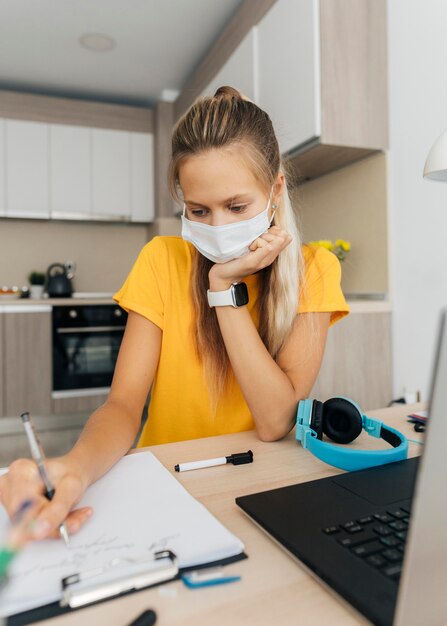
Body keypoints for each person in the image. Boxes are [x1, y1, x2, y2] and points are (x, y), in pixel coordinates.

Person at [0, 86, 349, 541]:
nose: (218, 227)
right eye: (198, 210)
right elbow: (124, 406)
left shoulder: (314, 271)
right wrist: (75, 466)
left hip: (257, 484)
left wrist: (222, 288)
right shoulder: (162, 259)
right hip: (162, 478)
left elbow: (275, 421)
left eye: (237, 207)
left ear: (276, 189)